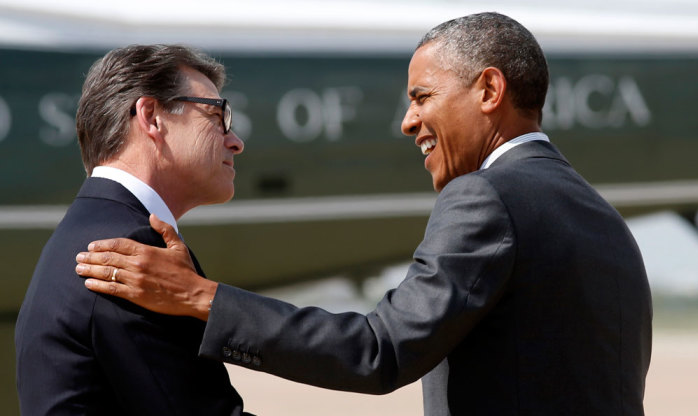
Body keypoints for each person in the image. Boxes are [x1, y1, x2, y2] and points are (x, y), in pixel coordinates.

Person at [75, 13, 653, 415]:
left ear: (489, 90)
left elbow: (378, 351)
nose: (408, 121)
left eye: (422, 96)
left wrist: (200, 297)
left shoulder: (485, 196)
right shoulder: (602, 218)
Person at [15, 44, 253, 415]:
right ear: (152, 117)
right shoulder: (128, 251)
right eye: (217, 114)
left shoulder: (87, 233)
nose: (235, 141)